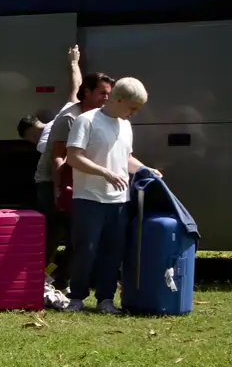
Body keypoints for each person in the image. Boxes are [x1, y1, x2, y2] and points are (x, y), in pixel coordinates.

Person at [65, 77, 161, 314]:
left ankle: (105, 300)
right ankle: (76, 297)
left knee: (113, 252)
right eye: (132, 107)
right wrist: (104, 172)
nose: (134, 113)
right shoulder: (86, 121)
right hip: (88, 197)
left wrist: (146, 170)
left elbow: (126, 159)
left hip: (118, 200)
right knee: (85, 250)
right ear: (118, 99)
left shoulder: (125, 125)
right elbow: (74, 157)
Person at [34, 61, 115, 290]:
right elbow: (59, 158)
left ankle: (60, 279)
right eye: (102, 93)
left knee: (76, 237)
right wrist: (59, 191)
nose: (107, 98)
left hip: (75, 181)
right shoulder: (70, 118)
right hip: (52, 181)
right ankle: (41, 278)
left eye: (109, 94)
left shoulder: (98, 116)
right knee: (53, 235)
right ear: (87, 92)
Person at [18, 46, 83, 153]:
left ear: (30, 136)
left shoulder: (43, 144)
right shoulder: (62, 115)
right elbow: (76, 87)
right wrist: (74, 62)